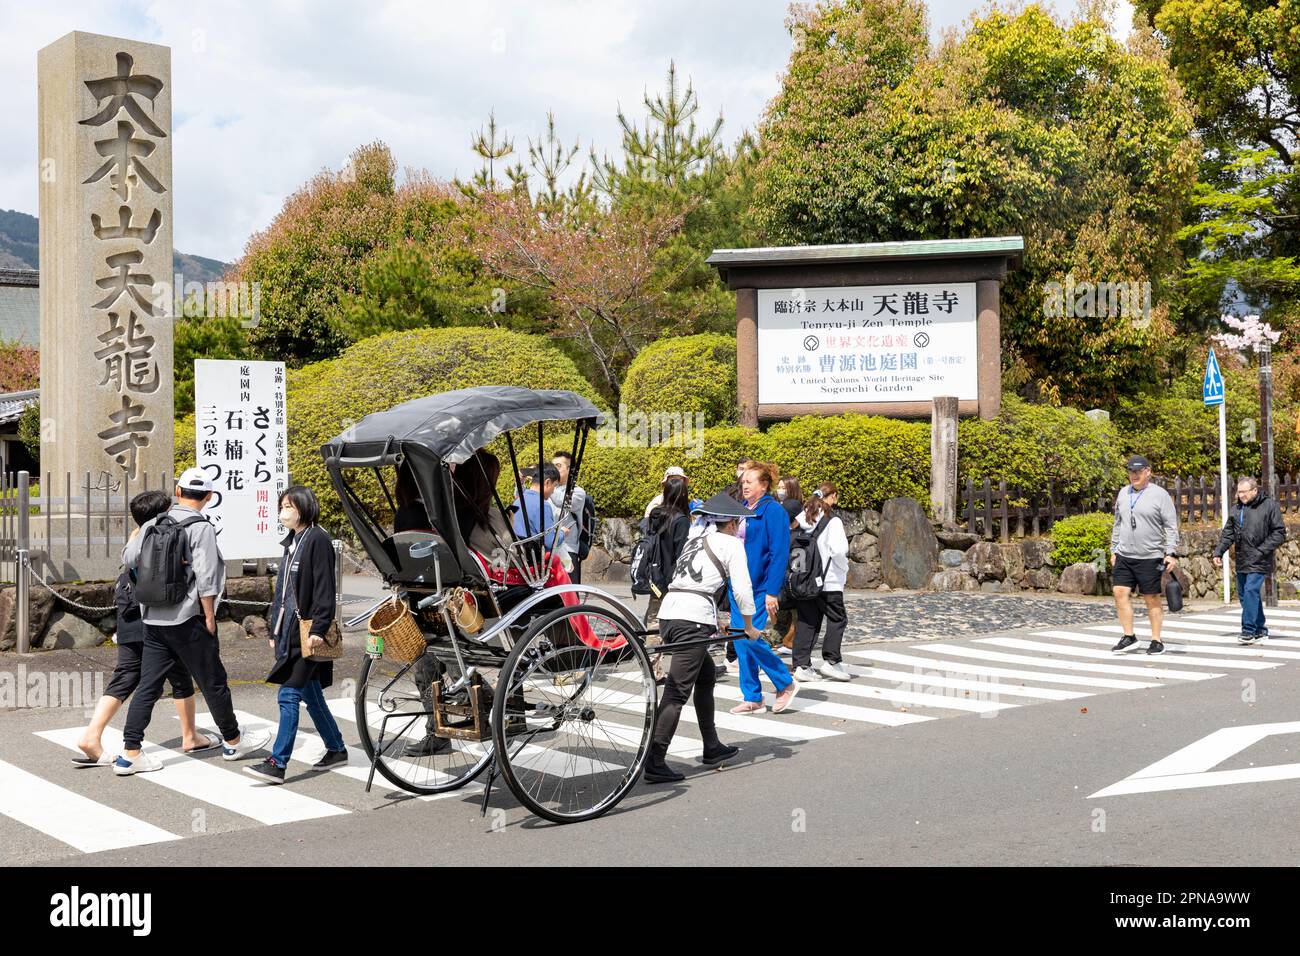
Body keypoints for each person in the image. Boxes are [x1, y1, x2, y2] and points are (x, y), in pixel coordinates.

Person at [115, 468, 270, 774]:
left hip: (153, 620)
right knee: (212, 680)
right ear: (209, 497)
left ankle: (130, 753)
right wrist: (210, 616)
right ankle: (233, 740)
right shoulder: (201, 528)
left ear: (177, 490)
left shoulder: (153, 523)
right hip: (187, 618)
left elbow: (129, 559)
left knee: (148, 685)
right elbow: (208, 576)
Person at [72, 491, 215, 767]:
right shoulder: (163, 536)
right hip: (152, 616)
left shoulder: (137, 538)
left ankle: (94, 734)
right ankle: (184, 737)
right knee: (167, 676)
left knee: (131, 674)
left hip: (128, 613)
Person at [644, 493, 763, 784]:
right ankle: (655, 760)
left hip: (671, 613)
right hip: (692, 618)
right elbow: (743, 590)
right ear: (733, 523)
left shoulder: (696, 540)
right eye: (739, 523)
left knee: (706, 674)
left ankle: (712, 746)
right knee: (676, 691)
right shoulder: (732, 544)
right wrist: (748, 625)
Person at [244, 486, 348, 784]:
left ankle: (277, 762)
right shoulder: (293, 541)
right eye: (281, 506)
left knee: (288, 693)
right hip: (288, 630)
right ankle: (337, 748)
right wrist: (273, 627)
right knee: (311, 694)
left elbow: (325, 588)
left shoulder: (317, 539)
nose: (283, 511)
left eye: (288, 506)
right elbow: (283, 592)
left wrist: (318, 629)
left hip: (308, 631)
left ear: (303, 507)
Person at [729, 461, 799, 714]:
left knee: (750, 636)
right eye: (743, 481)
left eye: (750, 481)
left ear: (764, 485)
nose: (744, 485)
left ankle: (785, 682)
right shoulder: (742, 508)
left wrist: (772, 591)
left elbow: (779, 553)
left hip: (759, 587)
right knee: (739, 639)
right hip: (737, 583)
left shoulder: (773, 511)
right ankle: (752, 696)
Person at [1109, 455, 1180, 656]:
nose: (1134, 475)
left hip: (1150, 555)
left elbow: (1171, 526)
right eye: (1131, 472)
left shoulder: (1160, 495)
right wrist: (1114, 549)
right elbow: (1117, 523)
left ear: (1148, 472)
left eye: (1138, 472)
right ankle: (1129, 636)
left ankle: (1156, 640)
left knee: (1151, 597)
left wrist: (1171, 553)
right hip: (1125, 554)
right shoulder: (1123, 493)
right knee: (1119, 592)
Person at [1213, 476, 1287, 644]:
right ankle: (1261, 628)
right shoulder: (1236, 509)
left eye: (1244, 492)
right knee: (1244, 596)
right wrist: (1219, 552)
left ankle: (1248, 631)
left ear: (1255, 490)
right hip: (1242, 558)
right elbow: (1228, 533)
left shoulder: (1269, 506)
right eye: (1239, 492)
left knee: (1251, 591)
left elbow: (1279, 533)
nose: (1241, 495)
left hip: (1260, 558)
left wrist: (1261, 550)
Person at [790, 494, 852, 682]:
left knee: (807, 620)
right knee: (837, 618)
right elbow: (839, 551)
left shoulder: (800, 523)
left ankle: (801, 665)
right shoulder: (832, 522)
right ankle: (832, 661)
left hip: (805, 579)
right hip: (829, 580)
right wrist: (844, 568)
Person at [551, 450, 588, 582]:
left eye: (558, 466)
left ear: (570, 470)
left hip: (567, 550)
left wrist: (547, 486)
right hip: (548, 549)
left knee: (569, 594)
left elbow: (561, 501)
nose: (553, 470)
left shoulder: (578, 492)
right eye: (553, 465)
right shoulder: (546, 490)